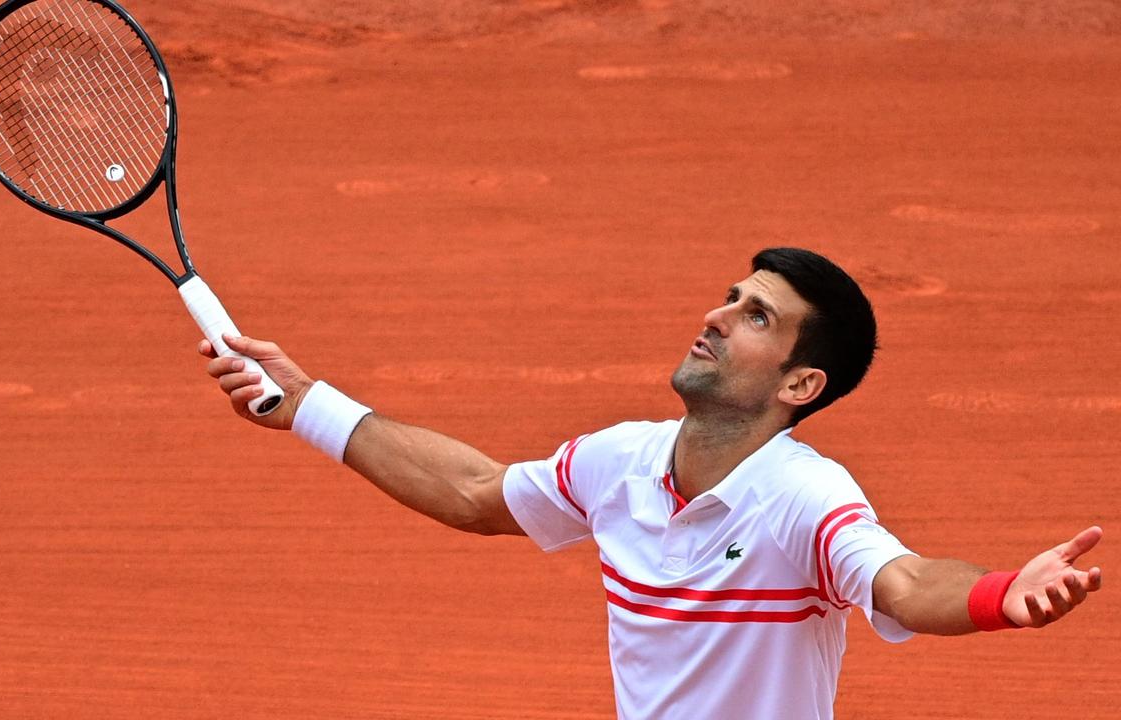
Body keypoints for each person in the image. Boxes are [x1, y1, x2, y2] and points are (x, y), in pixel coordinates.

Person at [198, 247, 1103, 720]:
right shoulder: (620, 461)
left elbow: (903, 581)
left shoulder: (805, 497)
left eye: (756, 317)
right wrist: (308, 404)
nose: (715, 317)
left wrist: (994, 594)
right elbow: (477, 492)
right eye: (730, 297)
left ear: (799, 385)